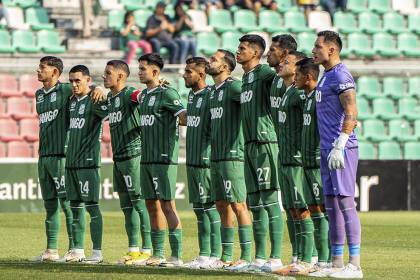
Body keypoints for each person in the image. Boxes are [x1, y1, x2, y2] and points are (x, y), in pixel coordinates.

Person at [32, 56, 104, 262]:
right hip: (43, 155)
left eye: (42, 68)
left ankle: (75, 248)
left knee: (68, 203)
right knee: (49, 204)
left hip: (62, 156)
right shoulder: (39, 94)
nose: (38, 70)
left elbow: (87, 88)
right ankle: (51, 250)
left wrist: (100, 87)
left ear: (54, 72)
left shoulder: (65, 90)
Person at [312, 30, 362, 278]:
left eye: (317, 47)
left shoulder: (341, 75)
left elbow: (352, 110)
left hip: (341, 148)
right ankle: (337, 262)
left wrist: (341, 143)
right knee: (331, 205)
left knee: (344, 203)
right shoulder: (325, 75)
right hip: (327, 149)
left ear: (331, 50)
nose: (314, 51)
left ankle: (355, 264)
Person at [131, 53, 187, 267]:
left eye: (143, 68)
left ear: (155, 71)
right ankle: (158, 253)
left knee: (167, 205)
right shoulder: (144, 95)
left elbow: (183, 117)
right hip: (147, 159)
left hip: (164, 159)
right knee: (151, 206)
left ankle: (176, 256)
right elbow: (125, 95)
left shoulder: (168, 92)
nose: (139, 72)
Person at [235, 34, 283, 272]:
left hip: (266, 142)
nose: (238, 51)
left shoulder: (265, 74)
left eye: (242, 48)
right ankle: (259, 258)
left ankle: (275, 257)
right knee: (254, 202)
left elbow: (285, 84)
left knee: (269, 199)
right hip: (249, 145)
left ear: (255, 52)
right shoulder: (244, 78)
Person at [270, 50, 317, 276]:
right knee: (290, 210)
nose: (281, 64)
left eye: (287, 62)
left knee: (302, 209)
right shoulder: (289, 91)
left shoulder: (300, 95)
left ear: (298, 68)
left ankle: (309, 258)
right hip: (285, 157)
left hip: (298, 159)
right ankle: (298, 256)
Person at [205, 49, 253, 270]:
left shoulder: (234, 87)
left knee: (238, 204)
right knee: (221, 204)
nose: (209, 61)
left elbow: (251, 106)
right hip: (216, 156)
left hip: (233, 155)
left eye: (213, 60)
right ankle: (225, 256)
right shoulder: (213, 92)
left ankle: (245, 255)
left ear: (224, 66)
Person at [102, 60, 152, 265]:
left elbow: (143, 96)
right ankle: (133, 249)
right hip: (119, 157)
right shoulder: (110, 97)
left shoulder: (129, 93)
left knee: (139, 203)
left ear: (120, 76)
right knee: (126, 205)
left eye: (108, 73)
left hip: (134, 156)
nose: (104, 76)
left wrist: (157, 87)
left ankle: (147, 250)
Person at [63, 65, 109, 264]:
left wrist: (103, 90)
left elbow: (113, 111)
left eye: (78, 80)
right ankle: (77, 250)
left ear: (88, 80)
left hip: (88, 163)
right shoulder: (72, 102)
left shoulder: (95, 99)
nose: (74, 84)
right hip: (71, 162)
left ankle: (97, 253)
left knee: (92, 207)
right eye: (71, 81)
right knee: (74, 207)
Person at [183, 56, 222, 269]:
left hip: (206, 160)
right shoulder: (191, 95)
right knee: (199, 209)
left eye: (189, 71)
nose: (184, 74)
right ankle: (203, 254)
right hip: (192, 159)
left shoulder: (211, 95)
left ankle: (214, 254)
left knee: (210, 208)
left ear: (201, 74)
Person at [294, 57, 331, 276]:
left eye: (298, 75)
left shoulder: (320, 98)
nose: (294, 78)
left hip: (318, 162)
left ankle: (327, 261)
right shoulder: (307, 98)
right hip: (306, 162)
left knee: (323, 210)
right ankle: (321, 259)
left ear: (308, 77)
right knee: (314, 210)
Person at [266, 34, 298, 271]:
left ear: (286, 54)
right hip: (282, 149)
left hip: (300, 154)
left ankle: (319, 258)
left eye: (273, 49)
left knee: (307, 206)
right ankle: (298, 257)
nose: (270, 53)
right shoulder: (276, 79)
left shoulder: (300, 85)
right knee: (291, 207)